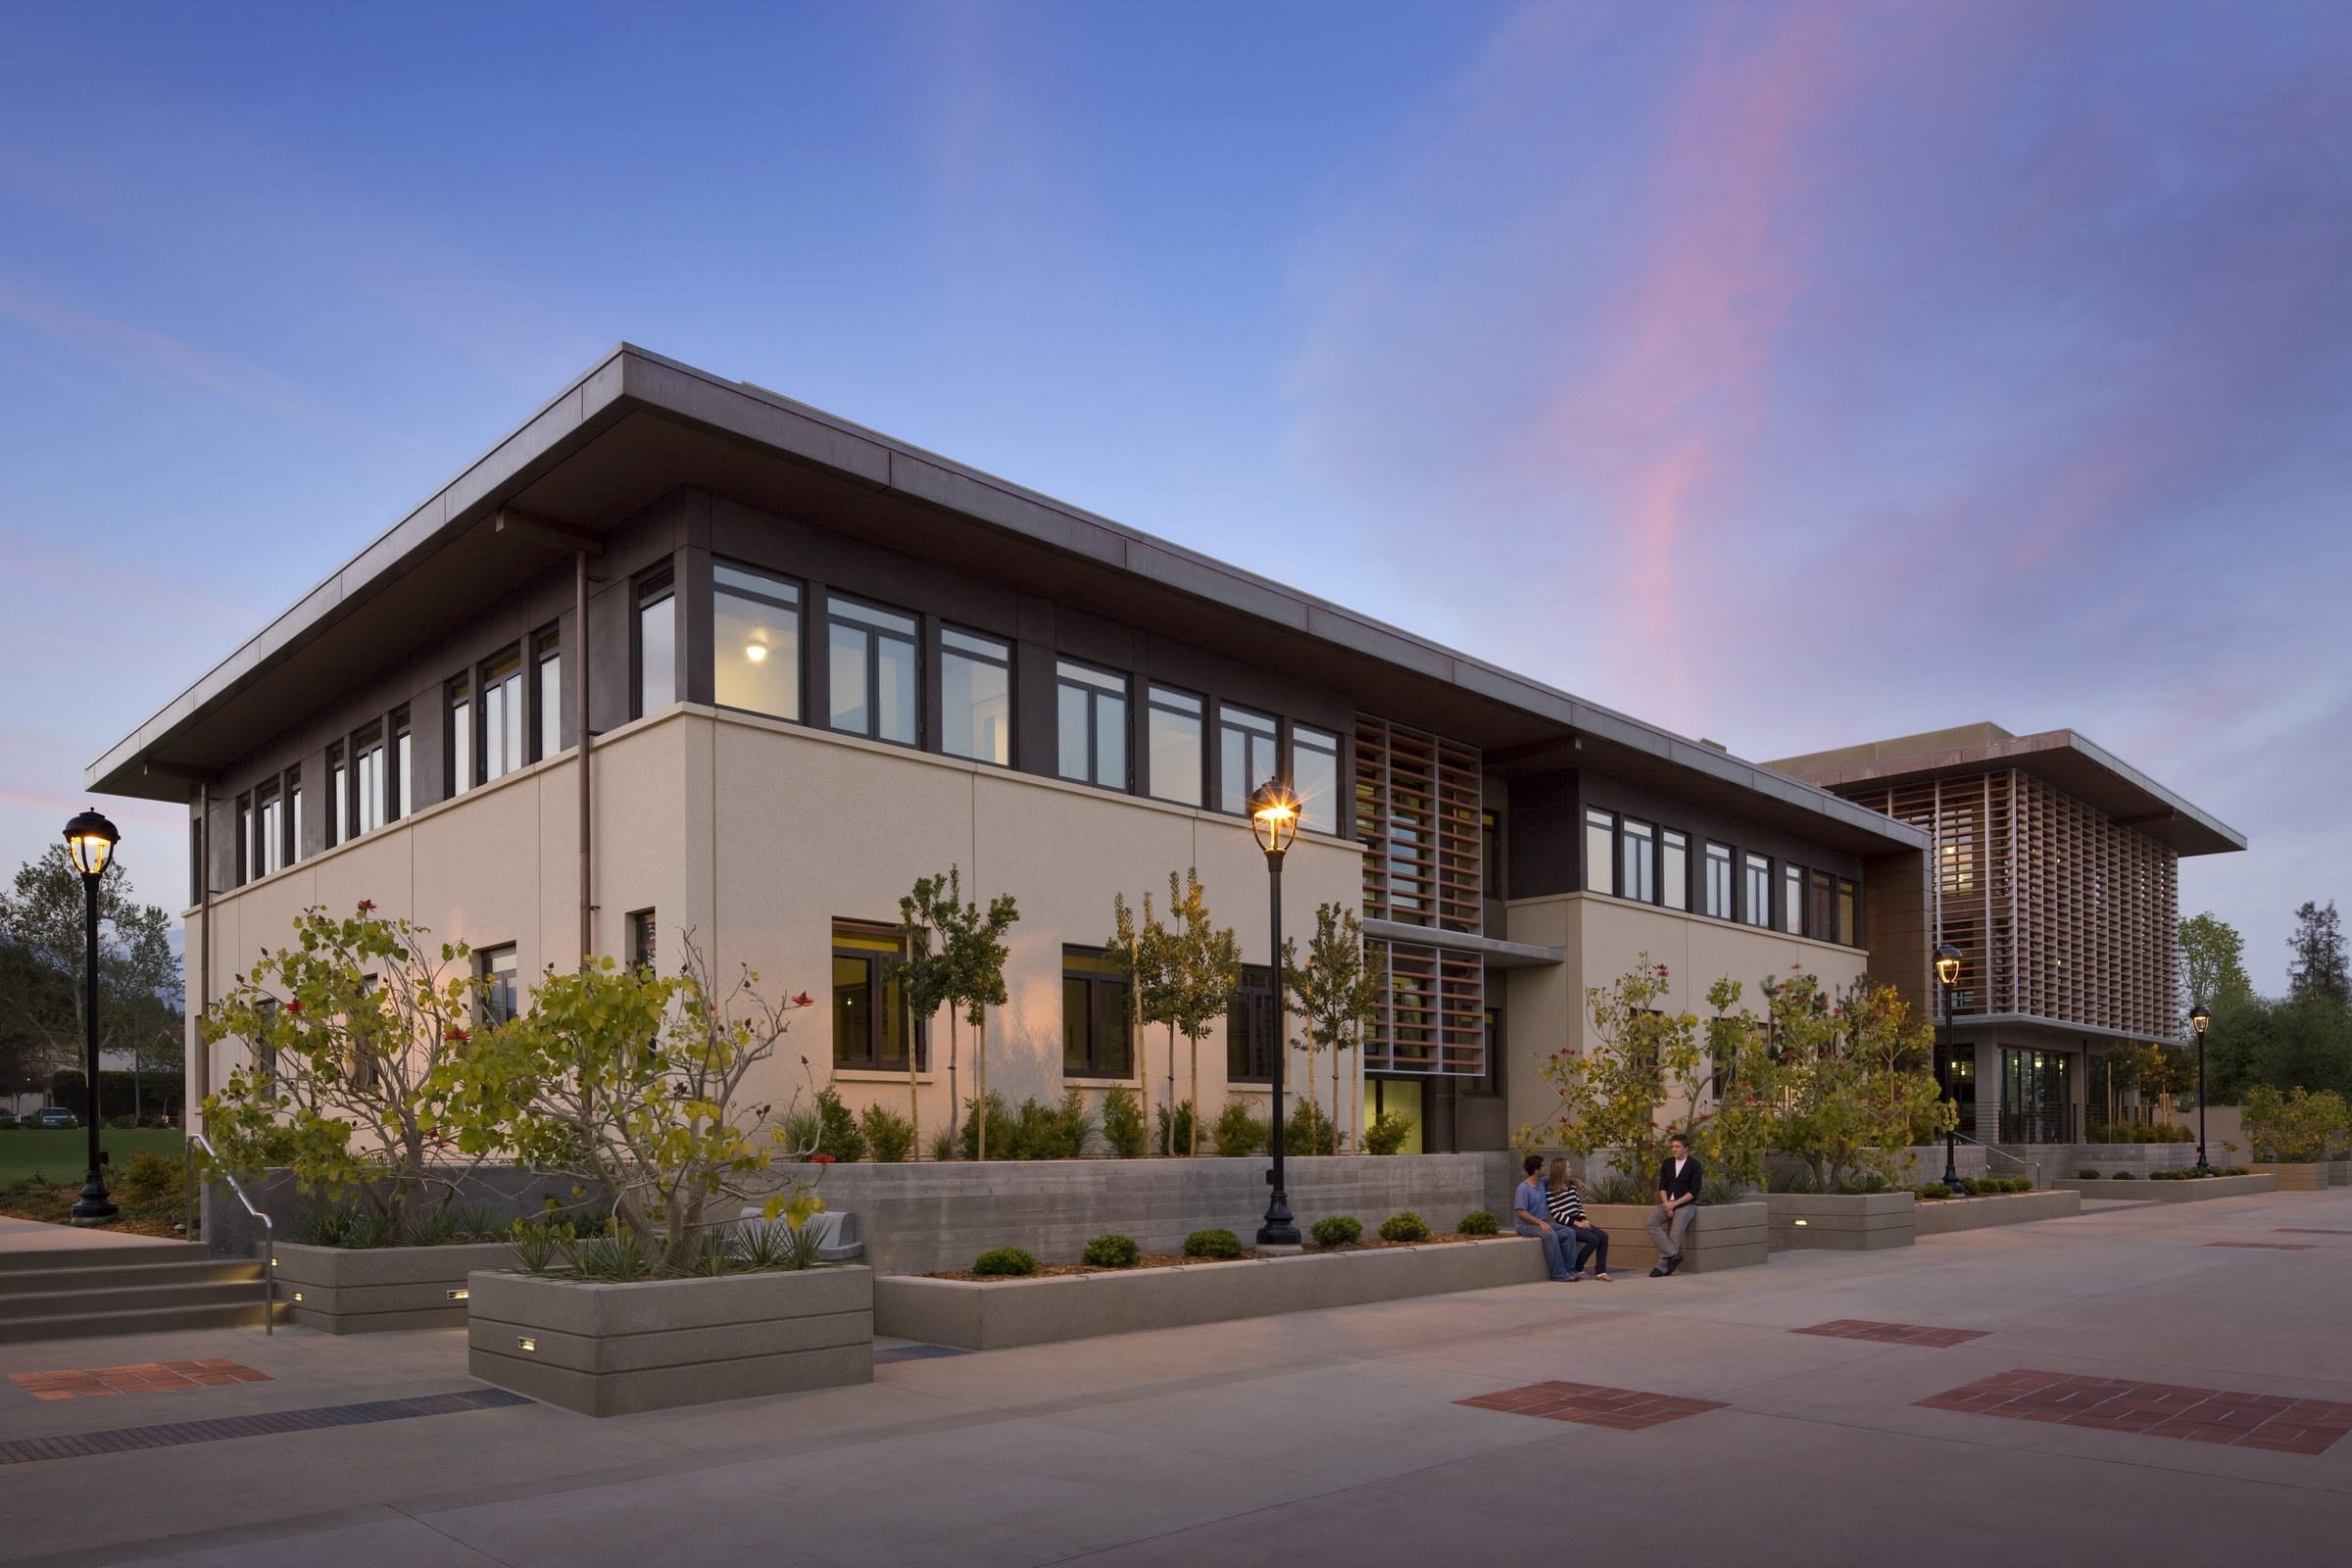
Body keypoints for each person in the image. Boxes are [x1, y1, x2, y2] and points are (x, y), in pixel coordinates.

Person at [1511, 1153, 1581, 1282]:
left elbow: (1559, 1177)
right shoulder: (1523, 1188)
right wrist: (1539, 1223)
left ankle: (1570, 1271)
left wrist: (1576, 1181)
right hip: (1526, 1226)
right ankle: (1559, 1274)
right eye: (1543, 1166)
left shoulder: (1542, 1182)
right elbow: (1520, 1211)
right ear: (1536, 1170)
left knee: (1569, 1232)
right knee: (1550, 1235)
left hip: (1540, 1223)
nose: (1545, 1168)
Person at [1544, 1156, 1610, 1281]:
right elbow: (1556, 1214)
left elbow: (1578, 1205)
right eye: (1568, 1167)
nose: (1571, 1169)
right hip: (1566, 1223)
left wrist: (1584, 1220)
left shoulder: (1571, 1186)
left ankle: (1601, 1272)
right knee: (1593, 1239)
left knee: (1603, 1236)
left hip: (1578, 1219)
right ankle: (1578, 1268)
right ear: (1560, 1170)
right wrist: (1576, 1223)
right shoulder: (1551, 1190)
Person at [1647, 1133, 1703, 1277]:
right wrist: (1667, 1204)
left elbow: (1693, 1192)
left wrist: (1674, 1205)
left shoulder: (1695, 1165)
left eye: (1677, 1146)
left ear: (1686, 1148)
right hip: (1668, 1202)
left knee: (1675, 1233)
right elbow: (1662, 1187)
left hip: (1685, 1205)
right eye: (1672, 1146)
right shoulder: (1667, 1163)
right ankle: (1674, 1254)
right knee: (1651, 1224)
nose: (1674, 1149)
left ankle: (1661, 1267)